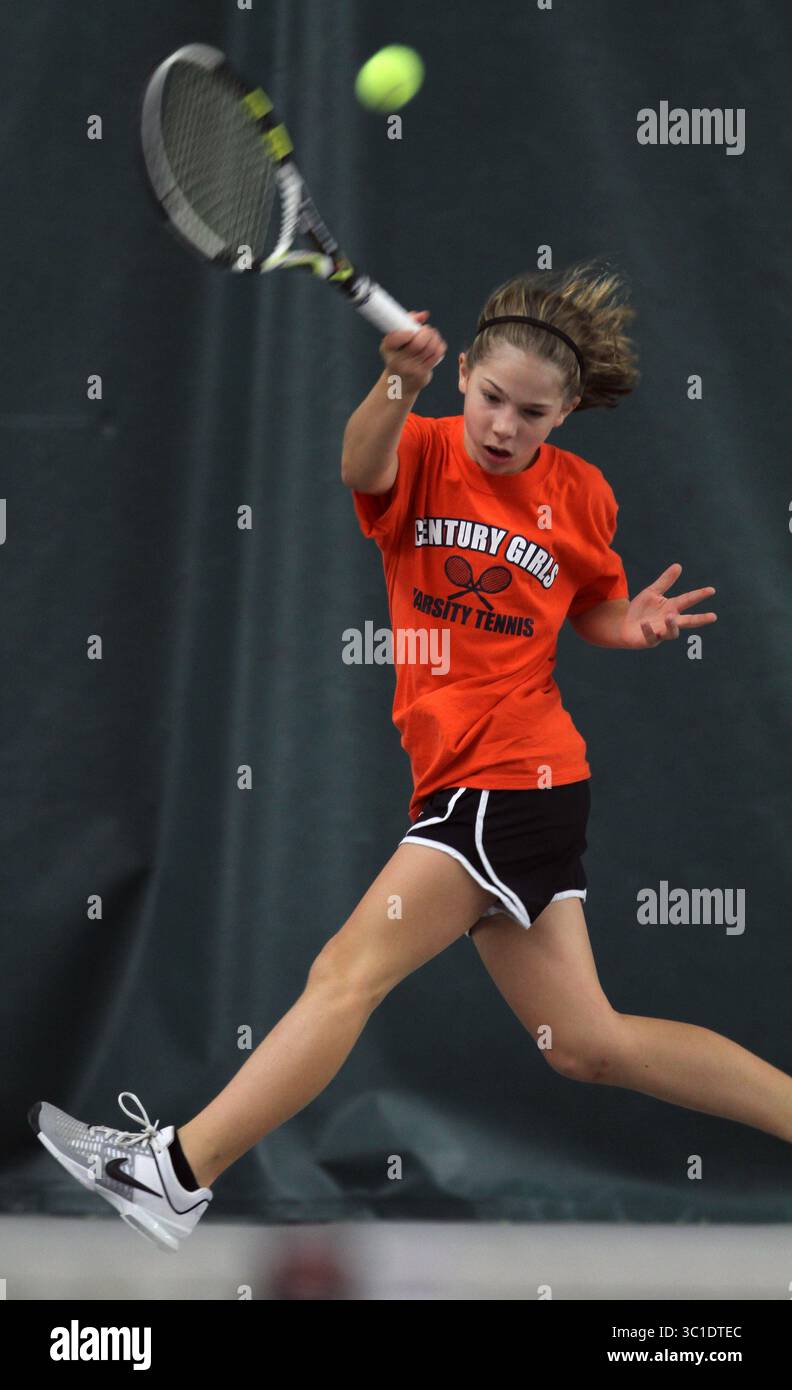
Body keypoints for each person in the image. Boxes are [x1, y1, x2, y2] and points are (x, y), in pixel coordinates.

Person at [29, 260, 792, 1253]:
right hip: (499, 785)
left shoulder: (581, 498)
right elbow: (358, 468)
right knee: (589, 1045)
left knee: (344, 972)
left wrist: (628, 621)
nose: (505, 426)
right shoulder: (423, 452)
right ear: (464, 373)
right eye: (491, 398)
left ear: (563, 415)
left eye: (531, 412)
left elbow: (590, 604)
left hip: (509, 781)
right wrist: (397, 378)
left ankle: (176, 1173)